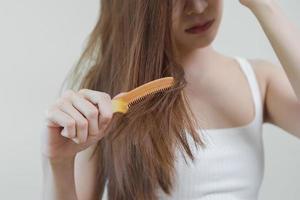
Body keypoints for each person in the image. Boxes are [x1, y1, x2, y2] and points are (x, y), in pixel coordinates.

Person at [41, 0, 300, 199]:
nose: (198, 7)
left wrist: (265, 6)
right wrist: (60, 163)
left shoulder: (259, 81)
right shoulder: (103, 98)